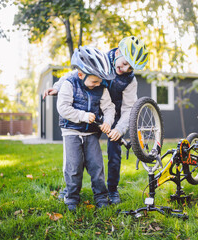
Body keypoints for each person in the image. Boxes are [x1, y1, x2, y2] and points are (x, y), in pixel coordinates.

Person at [44, 36, 149, 204]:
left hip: (112, 113)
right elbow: (76, 73)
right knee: (80, 154)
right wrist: (57, 87)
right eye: (125, 62)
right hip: (91, 109)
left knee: (114, 153)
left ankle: (112, 190)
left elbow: (129, 108)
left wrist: (119, 129)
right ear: (119, 51)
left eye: (131, 67)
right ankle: (70, 188)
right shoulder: (102, 59)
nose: (125, 68)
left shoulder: (130, 80)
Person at [56, 45, 116, 211]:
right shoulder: (69, 84)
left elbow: (109, 108)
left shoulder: (101, 88)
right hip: (72, 132)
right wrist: (82, 115)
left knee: (96, 166)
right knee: (73, 167)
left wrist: (108, 122)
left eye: (100, 81)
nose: (97, 84)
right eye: (94, 81)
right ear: (81, 74)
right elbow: (63, 108)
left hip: (91, 133)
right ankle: (72, 198)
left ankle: (101, 197)